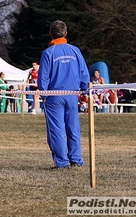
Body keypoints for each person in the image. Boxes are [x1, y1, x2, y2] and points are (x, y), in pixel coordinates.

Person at [37, 20, 89, 169]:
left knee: (56, 129)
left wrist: (44, 95)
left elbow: (43, 77)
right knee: (73, 127)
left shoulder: (48, 53)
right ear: (66, 34)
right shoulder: (75, 50)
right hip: (72, 95)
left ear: (50, 34)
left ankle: (61, 162)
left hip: (54, 96)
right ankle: (76, 159)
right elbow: (84, 73)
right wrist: (84, 91)